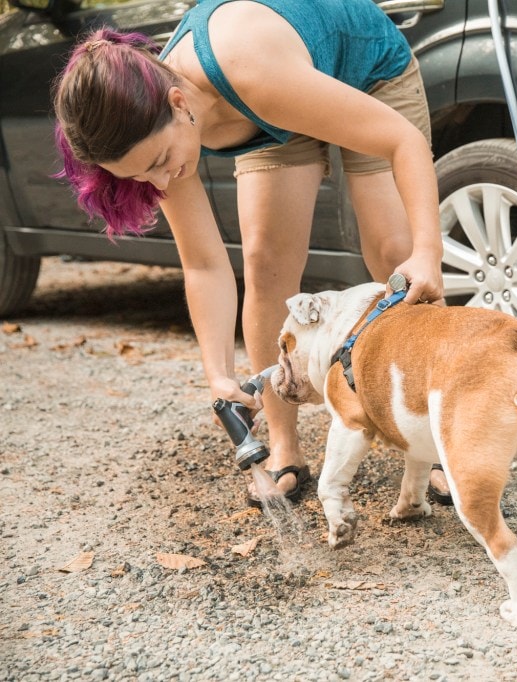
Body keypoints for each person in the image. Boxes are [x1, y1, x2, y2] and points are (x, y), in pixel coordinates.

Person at [53, 0, 448, 506]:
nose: (159, 180)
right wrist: (218, 375)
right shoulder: (157, 128)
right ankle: (284, 446)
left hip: (362, 72)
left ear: (178, 103)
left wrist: (427, 253)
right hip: (271, 107)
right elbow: (204, 265)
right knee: (266, 264)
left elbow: (403, 140)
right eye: (137, 176)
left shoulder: (248, 69)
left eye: (159, 161)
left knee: (394, 252)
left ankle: (439, 440)